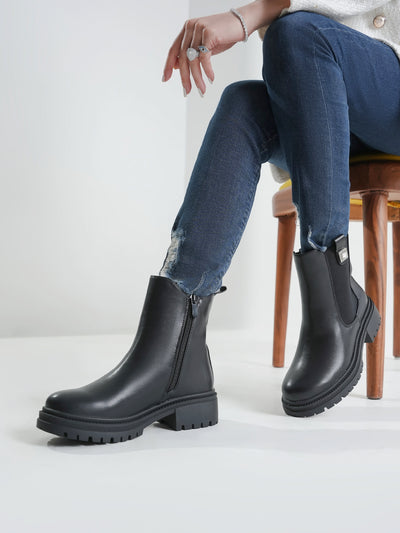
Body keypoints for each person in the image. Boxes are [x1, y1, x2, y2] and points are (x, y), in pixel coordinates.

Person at [37, 0, 400, 442]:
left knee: (296, 33)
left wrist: (248, 16)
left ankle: (337, 298)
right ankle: (175, 355)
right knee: (243, 103)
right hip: (330, 87)